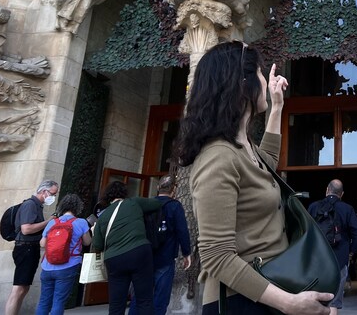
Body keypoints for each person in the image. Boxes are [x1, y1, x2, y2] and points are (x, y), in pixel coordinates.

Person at [174, 41, 333, 314]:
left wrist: (277, 106)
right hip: (243, 300)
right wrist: (290, 303)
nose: (265, 79)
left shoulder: (241, 145)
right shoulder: (218, 157)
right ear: (242, 83)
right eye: (260, 73)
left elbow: (266, 167)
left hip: (269, 287)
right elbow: (217, 257)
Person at [91, 180, 162, 315]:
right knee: (144, 300)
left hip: (114, 259)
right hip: (139, 252)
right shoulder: (134, 202)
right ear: (124, 193)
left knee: (116, 304)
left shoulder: (102, 216)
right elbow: (157, 204)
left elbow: (98, 245)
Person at [128, 175, 192, 315]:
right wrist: (187, 253)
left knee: (140, 297)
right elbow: (182, 231)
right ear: (174, 189)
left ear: (158, 188)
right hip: (165, 258)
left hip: (145, 257)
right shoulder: (175, 206)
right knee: (160, 299)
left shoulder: (148, 204)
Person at [5, 180, 59, 315]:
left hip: (29, 248)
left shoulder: (36, 205)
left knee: (23, 288)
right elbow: (26, 229)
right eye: (53, 193)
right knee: (18, 289)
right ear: (44, 191)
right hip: (25, 248)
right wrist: (48, 222)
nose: (53, 197)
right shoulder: (30, 205)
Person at [308, 180, 357, 315]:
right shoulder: (347, 209)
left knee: (315, 299)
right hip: (340, 259)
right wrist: (351, 250)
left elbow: (305, 231)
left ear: (327, 190)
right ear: (342, 194)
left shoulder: (314, 207)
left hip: (317, 259)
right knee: (333, 301)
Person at [35, 194, 92, 315]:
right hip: (68, 265)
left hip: (48, 266)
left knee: (43, 301)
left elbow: (42, 244)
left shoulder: (52, 223)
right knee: (58, 302)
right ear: (78, 207)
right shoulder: (81, 222)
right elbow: (87, 242)